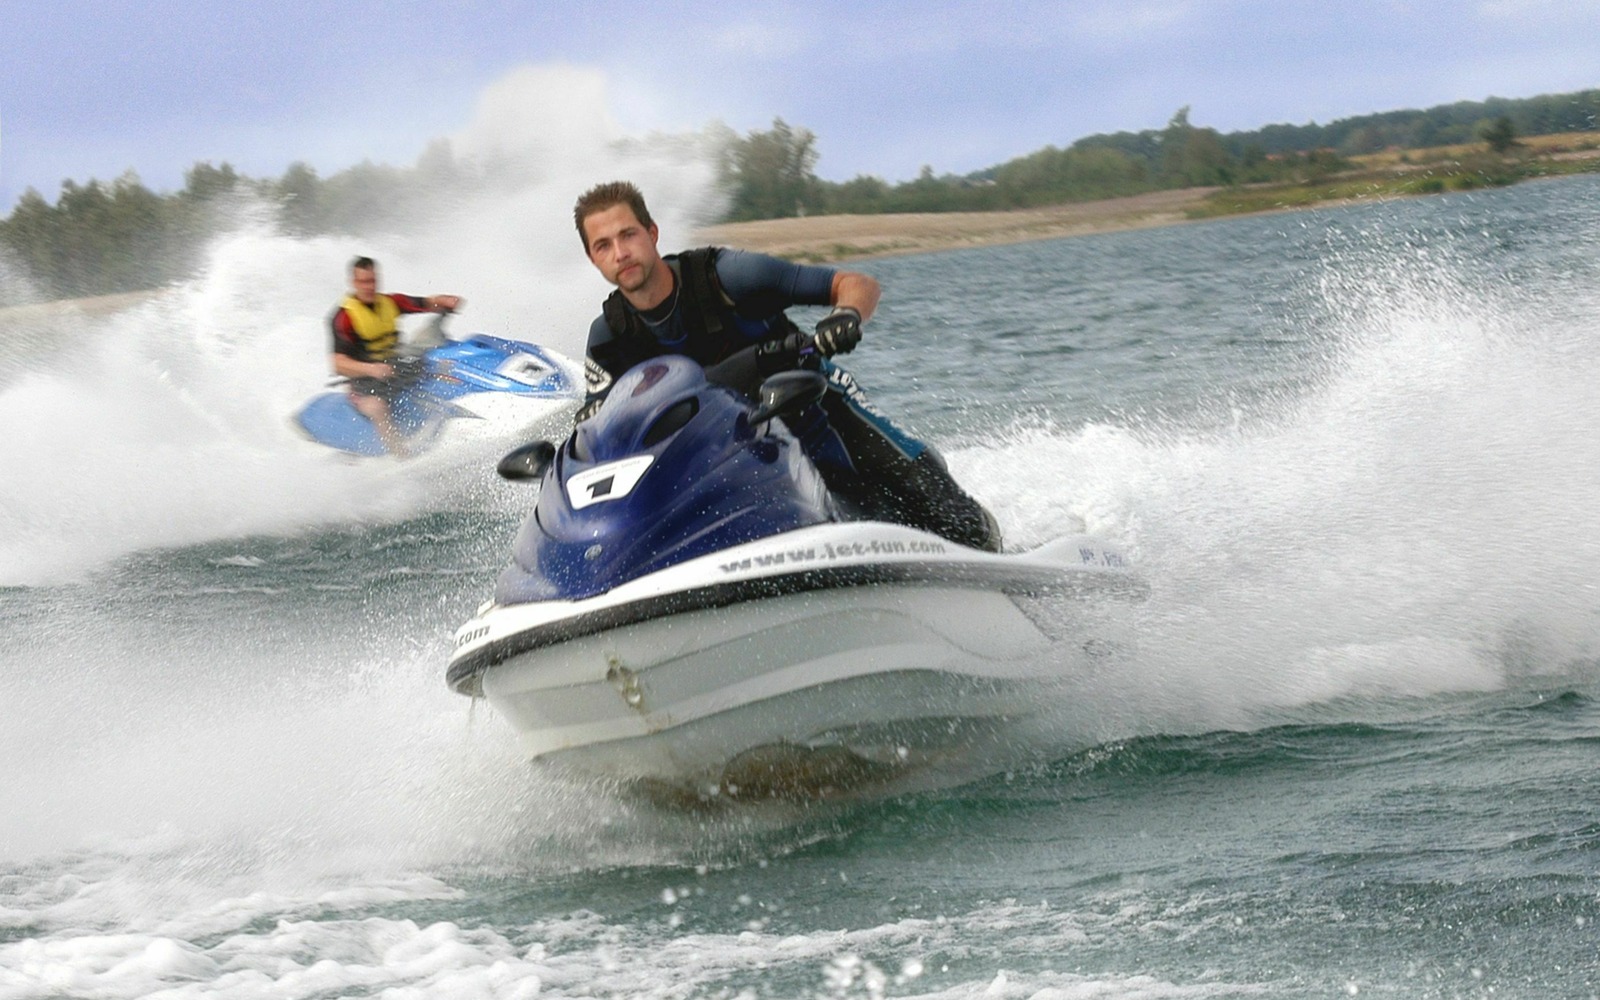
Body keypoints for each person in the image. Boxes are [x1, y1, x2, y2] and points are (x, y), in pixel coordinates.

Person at [573, 181, 1001, 552]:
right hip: (721, 450)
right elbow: (598, 425)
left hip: (814, 407)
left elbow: (855, 284)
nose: (620, 253)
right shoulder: (608, 336)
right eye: (603, 245)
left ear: (652, 233)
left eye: (628, 235)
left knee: (954, 518)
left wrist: (845, 316)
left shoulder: (728, 276)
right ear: (593, 259)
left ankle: (979, 543)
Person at [329, 255, 462, 457]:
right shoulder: (344, 318)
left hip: (395, 367)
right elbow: (338, 364)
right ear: (354, 282)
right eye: (364, 282)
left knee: (440, 366)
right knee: (377, 408)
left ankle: (462, 415)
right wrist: (371, 369)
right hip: (364, 384)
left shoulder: (390, 302)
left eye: (372, 281)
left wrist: (444, 301)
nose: (369, 287)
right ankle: (401, 456)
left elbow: (426, 303)